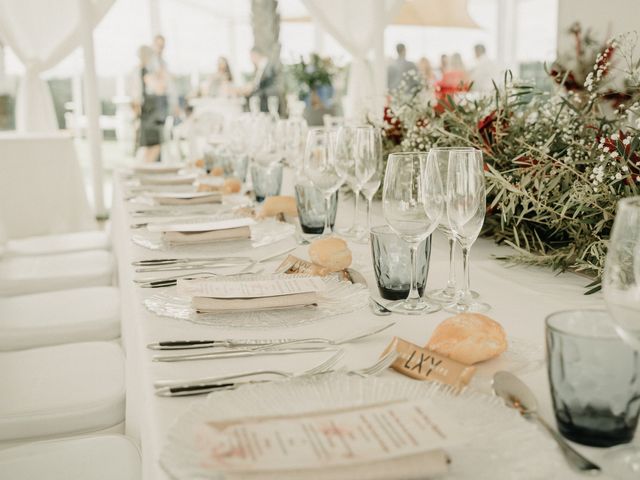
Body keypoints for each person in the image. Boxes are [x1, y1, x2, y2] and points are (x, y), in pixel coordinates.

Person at [131, 45, 169, 162]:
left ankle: (143, 173)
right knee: (152, 147)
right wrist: (162, 76)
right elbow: (160, 88)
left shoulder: (140, 71)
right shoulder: (145, 71)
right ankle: (143, 174)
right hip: (151, 114)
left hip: (150, 113)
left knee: (150, 147)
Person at [241, 46, 279, 112]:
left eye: (251, 57)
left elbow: (266, 80)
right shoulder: (259, 67)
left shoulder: (268, 65)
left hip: (268, 100)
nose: (251, 59)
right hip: (263, 99)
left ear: (255, 54)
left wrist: (252, 87)